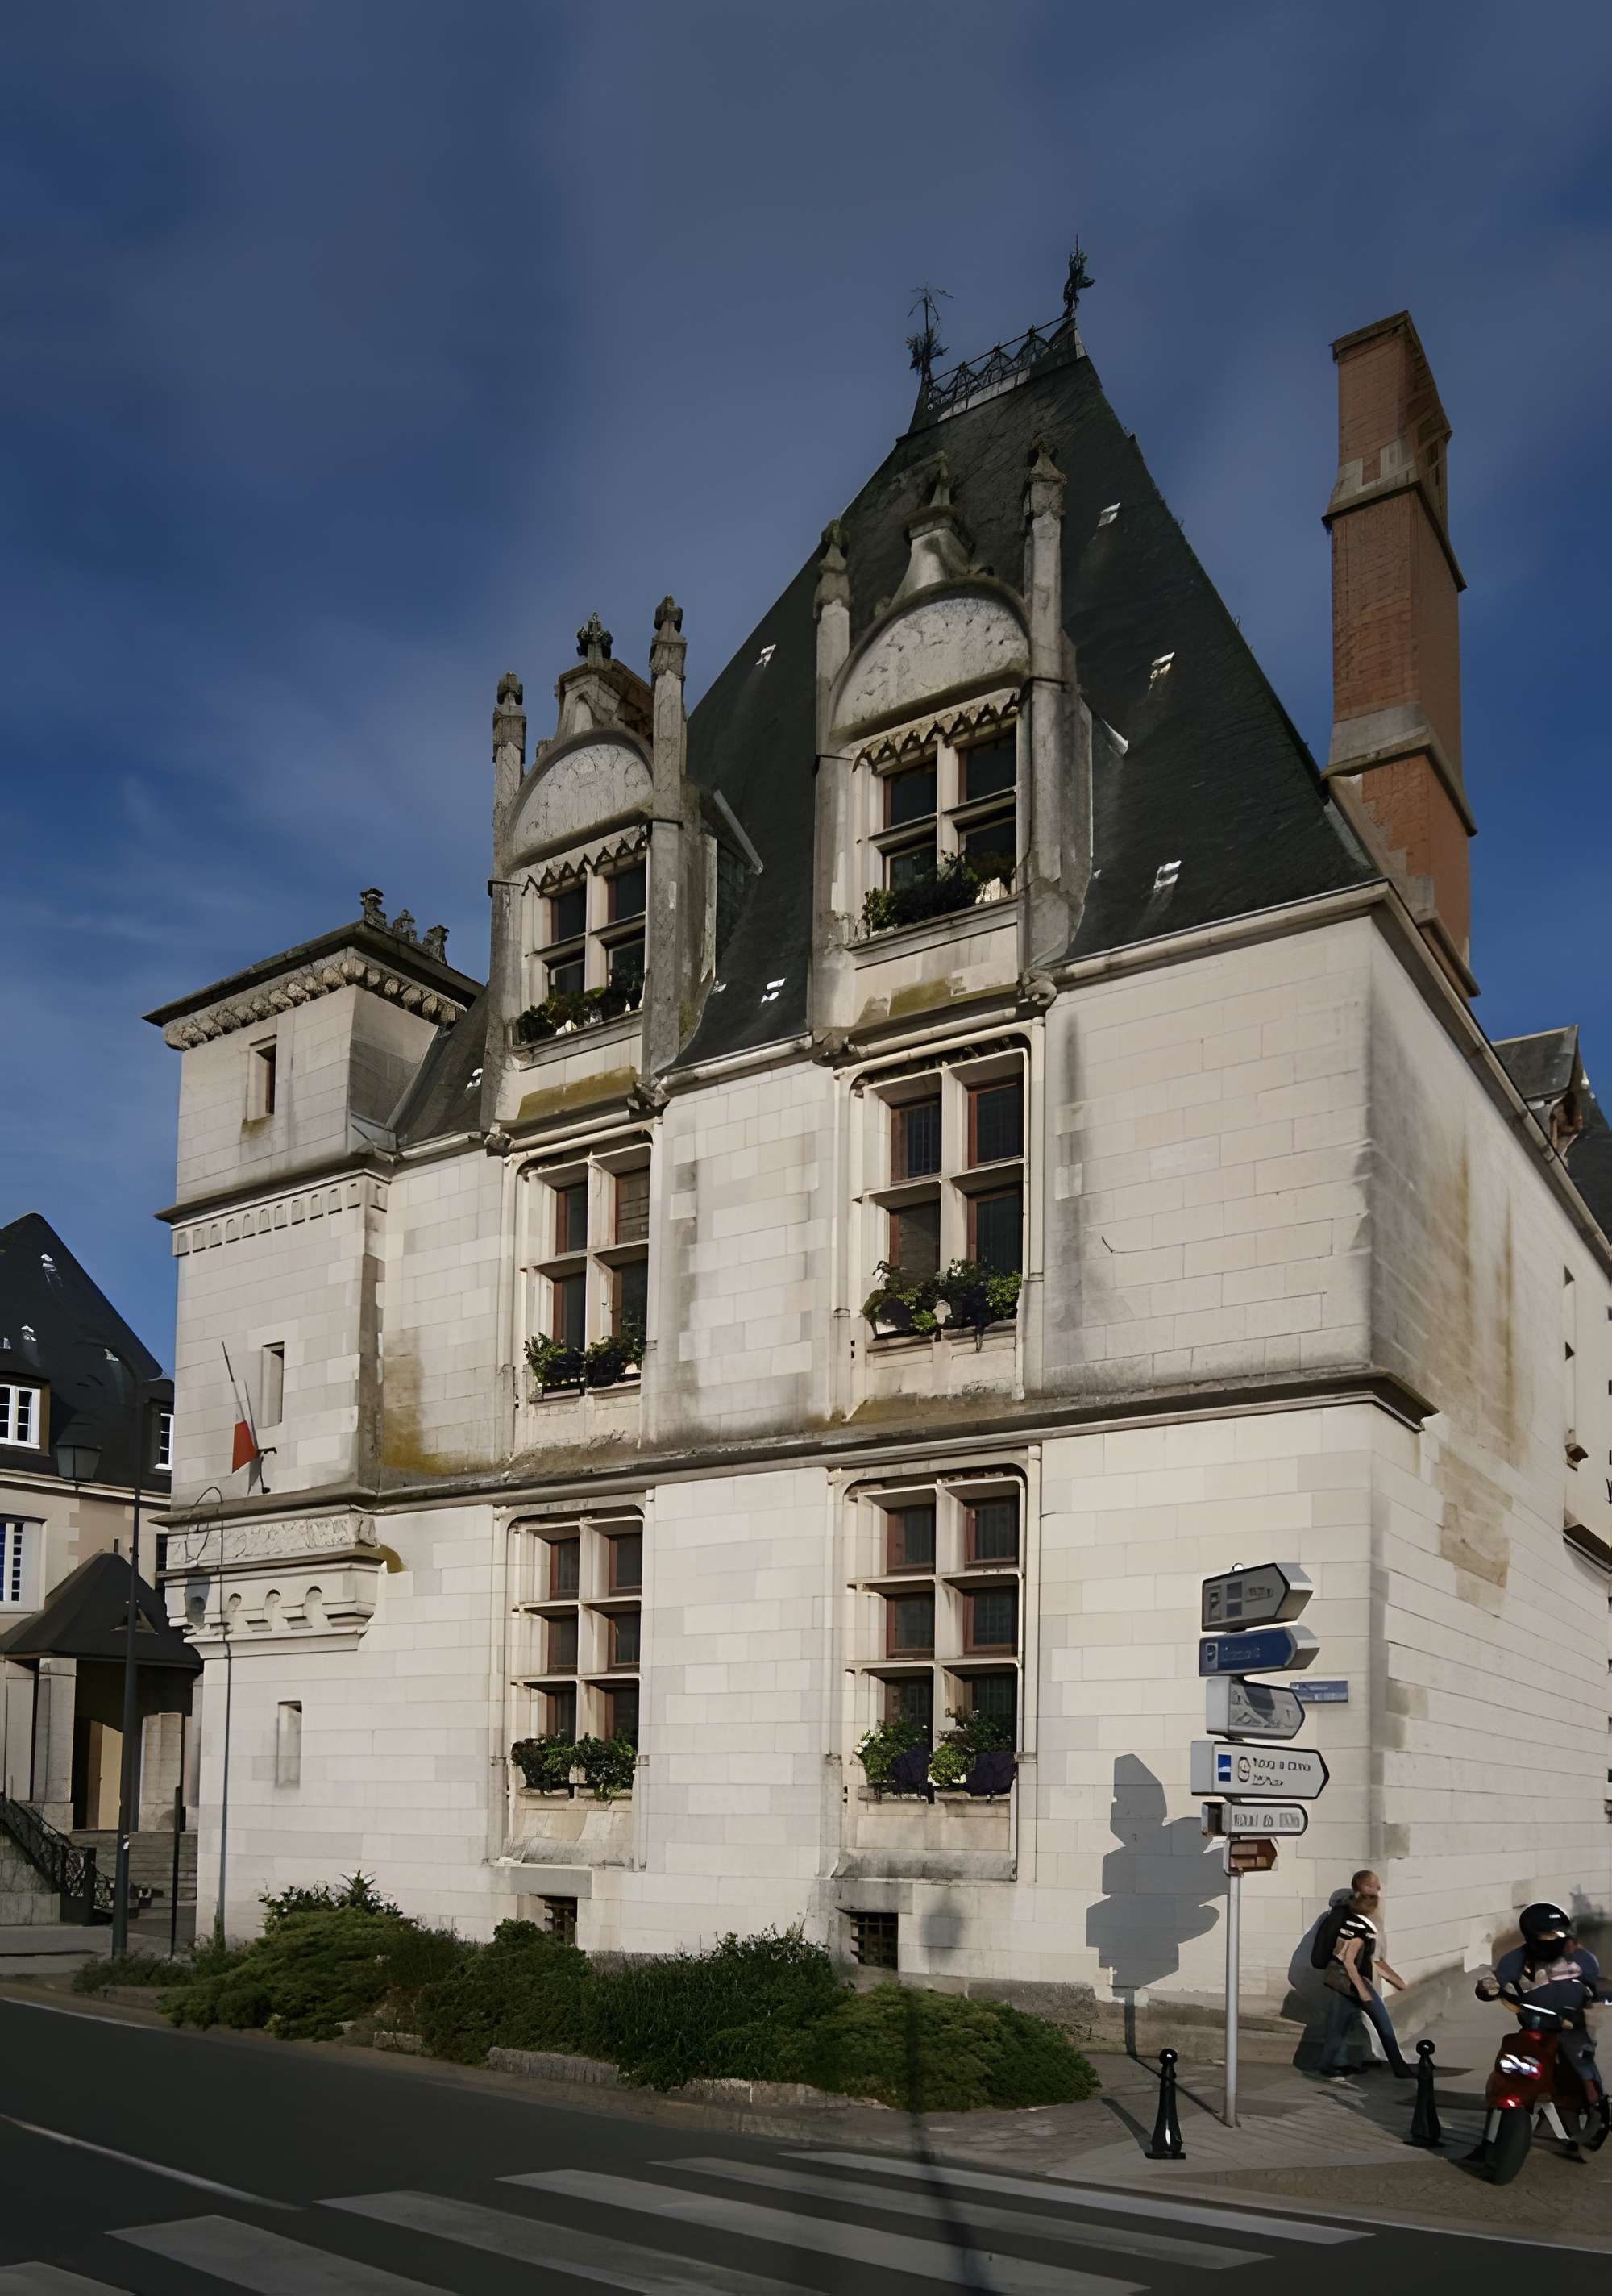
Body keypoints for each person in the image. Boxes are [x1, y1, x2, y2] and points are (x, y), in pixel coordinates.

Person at [1476, 1903, 1605, 2158]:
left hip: (1572, 2029)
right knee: (1508, 2064)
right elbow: (1494, 1982)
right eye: (1547, 1936)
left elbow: (1597, 1989)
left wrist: (1595, 2004)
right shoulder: (1515, 1961)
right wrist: (1487, 1987)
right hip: (1533, 2028)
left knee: (1581, 2065)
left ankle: (1597, 2115)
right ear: (1531, 1937)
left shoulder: (1584, 1959)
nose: (1555, 1940)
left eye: (1560, 1934)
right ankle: (1493, 2127)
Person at [1316, 1887, 1410, 2081]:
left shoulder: (1345, 1923)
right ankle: (1400, 2068)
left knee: (1338, 2026)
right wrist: (1362, 1991)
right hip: (1355, 1982)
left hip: (1344, 1982)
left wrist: (1396, 1981)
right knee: (1383, 2024)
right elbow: (1349, 1961)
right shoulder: (1359, 1929)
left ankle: (1329, 2065)